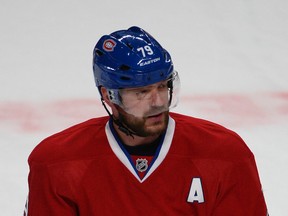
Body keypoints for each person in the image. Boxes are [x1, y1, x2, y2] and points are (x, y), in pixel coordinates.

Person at [25, 26, 268, 215]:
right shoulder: (57, 163)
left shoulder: (226, 155)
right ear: (108, 95)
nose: (157, 102)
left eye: (162, 87)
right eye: (141, 92)